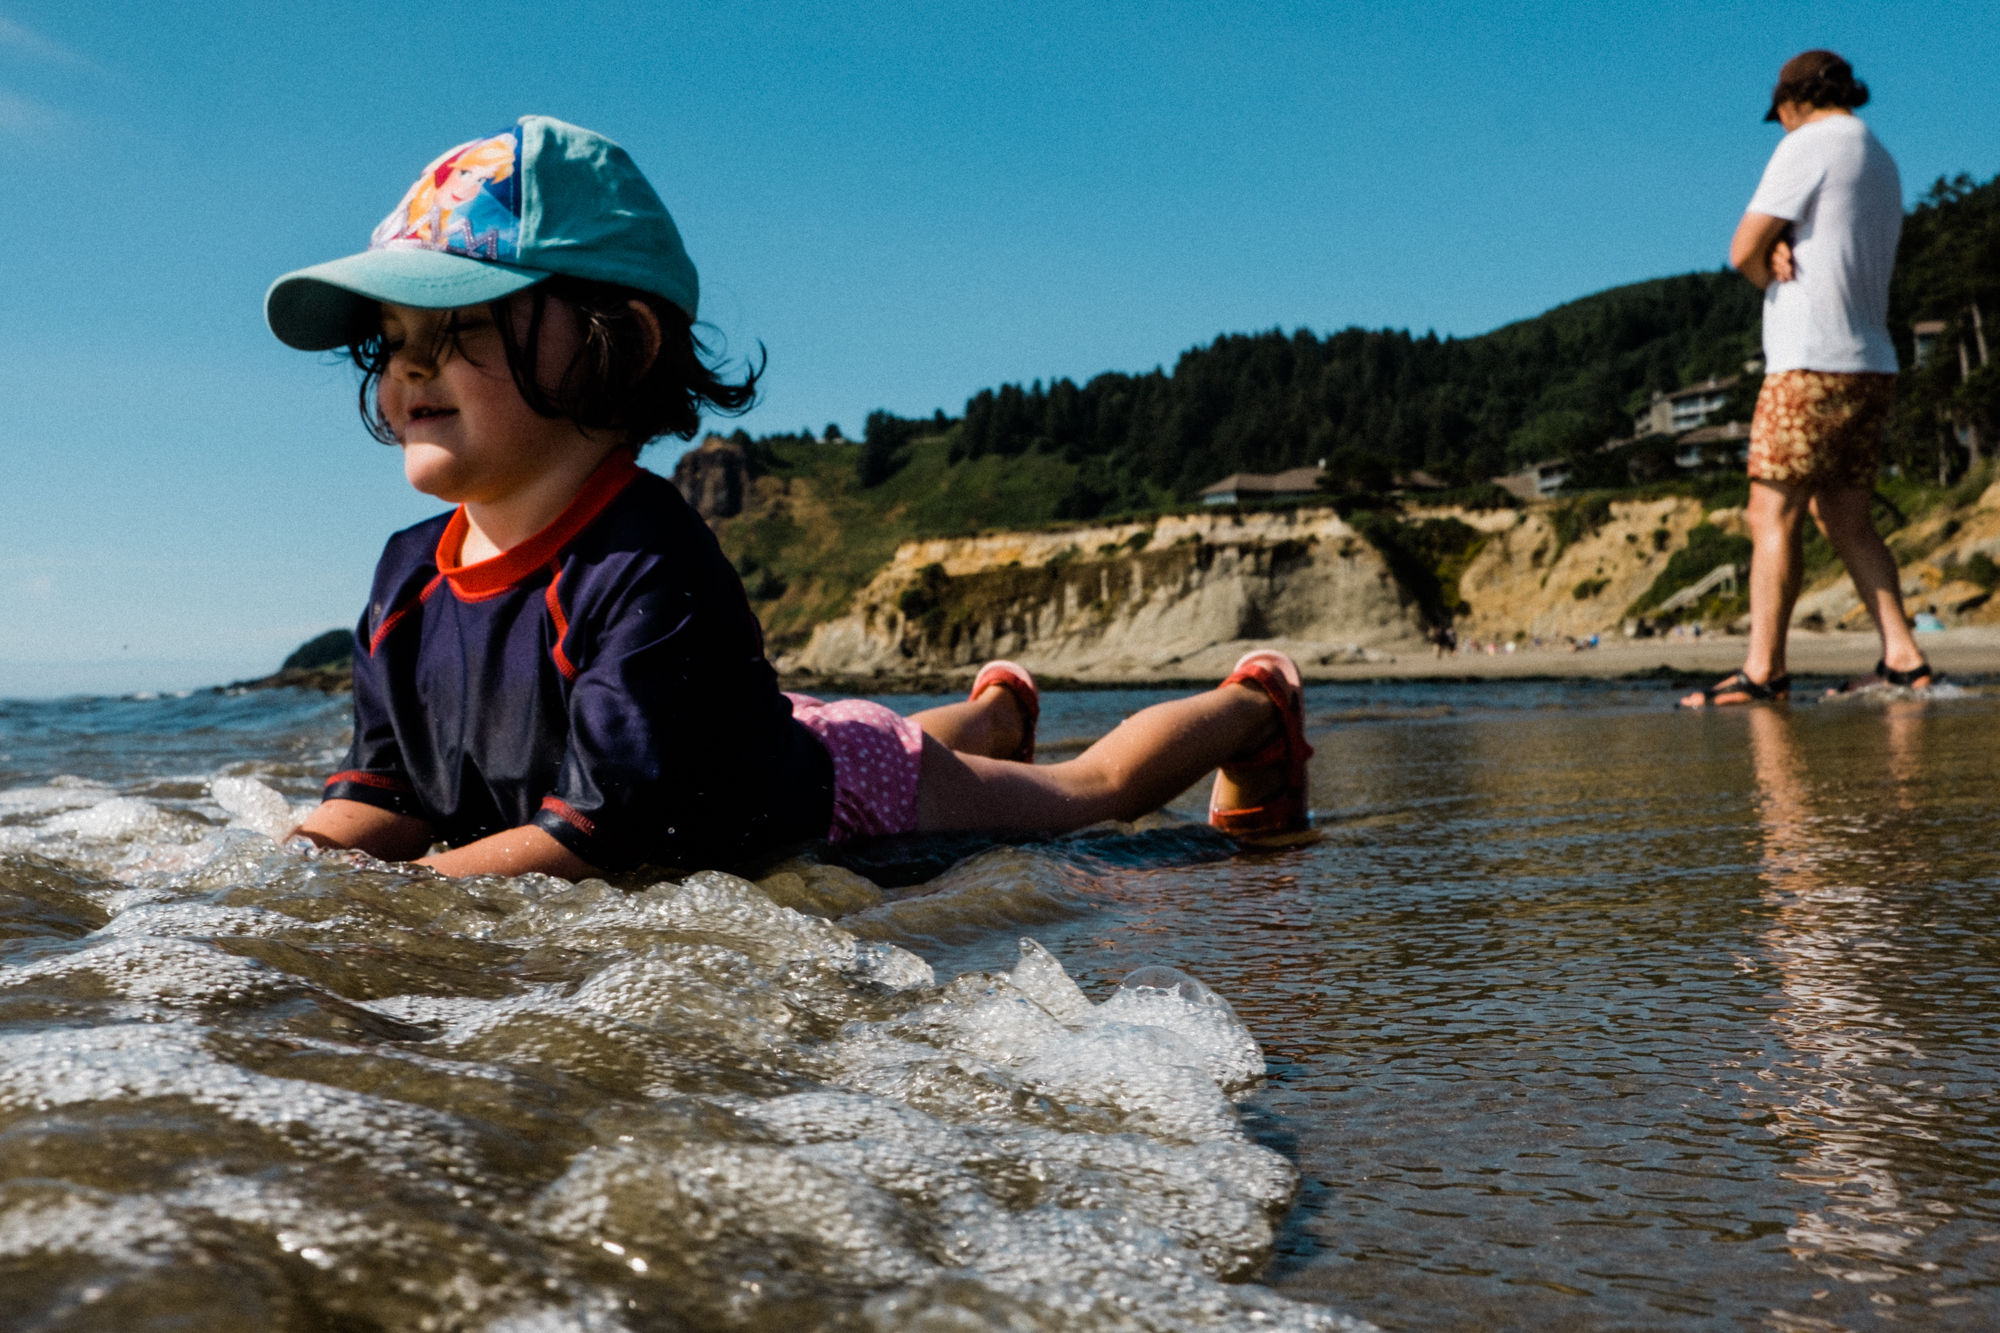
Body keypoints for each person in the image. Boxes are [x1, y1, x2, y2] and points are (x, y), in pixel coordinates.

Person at [268, 116, 1315, 879]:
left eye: (455, 327)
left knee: (1082, 796)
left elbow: (596, 839)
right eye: (392, 340)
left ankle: (1248, 710)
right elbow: (386, 795)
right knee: (866, 726)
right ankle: (994, 710)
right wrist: (277, 878)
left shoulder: (643, 563)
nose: (407, 373)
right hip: (740, 734)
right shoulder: (406, 575)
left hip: (834, 786)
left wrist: (393, 909)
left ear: (616, 344)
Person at [1682, 51, 1935, 707]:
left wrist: (1767, 262)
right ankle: (1904, 659)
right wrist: (1782, 244)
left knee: (1772, 510)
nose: (1781, 125)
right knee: (1847, 518)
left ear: (1794, 100)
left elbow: (1741, 249)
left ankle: (1762, 670)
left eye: (1781, 114)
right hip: (1871, 362)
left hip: (1807, 362)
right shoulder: (1877, 153)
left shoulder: (1809, 144)